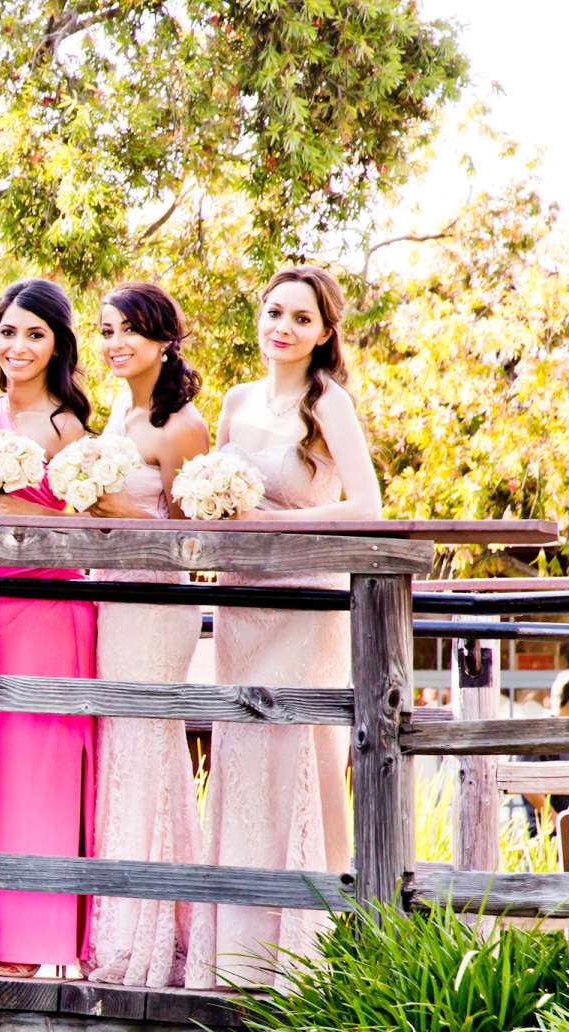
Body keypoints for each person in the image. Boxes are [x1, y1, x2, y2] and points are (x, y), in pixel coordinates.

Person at [191, 264, 379, 988]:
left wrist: (278, 520)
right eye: (274, 312)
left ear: (325, 331)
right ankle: (237, 946)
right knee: (241, 750)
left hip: (304, 597)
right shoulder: (237, 400)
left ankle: (307, 945)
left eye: (301, 318)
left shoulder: (329, 404)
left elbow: (366, 505)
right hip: (244, 600)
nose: (283, 327)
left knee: (298, 749)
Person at [0, 279, 98, 975]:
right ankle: (15, 944)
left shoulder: (67, 426)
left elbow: (87, 529)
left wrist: (19, 501)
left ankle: (55, 947)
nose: (18, 346)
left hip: (54, 606)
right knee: (10, 778)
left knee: (54, 775)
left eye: (35, 335)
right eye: (8, 332)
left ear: (57, 346)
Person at [85, 284, 211, 988]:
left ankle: (156, 935)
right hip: (113, 595)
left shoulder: (180, 424)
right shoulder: (118, 412)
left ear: (164, 340)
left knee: (149, 744)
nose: (115, 343)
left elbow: (192, 538)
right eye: (106, 330)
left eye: (131, 330)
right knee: (120, 747)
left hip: (155, 603)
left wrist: (106, 506)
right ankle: (124, 923)